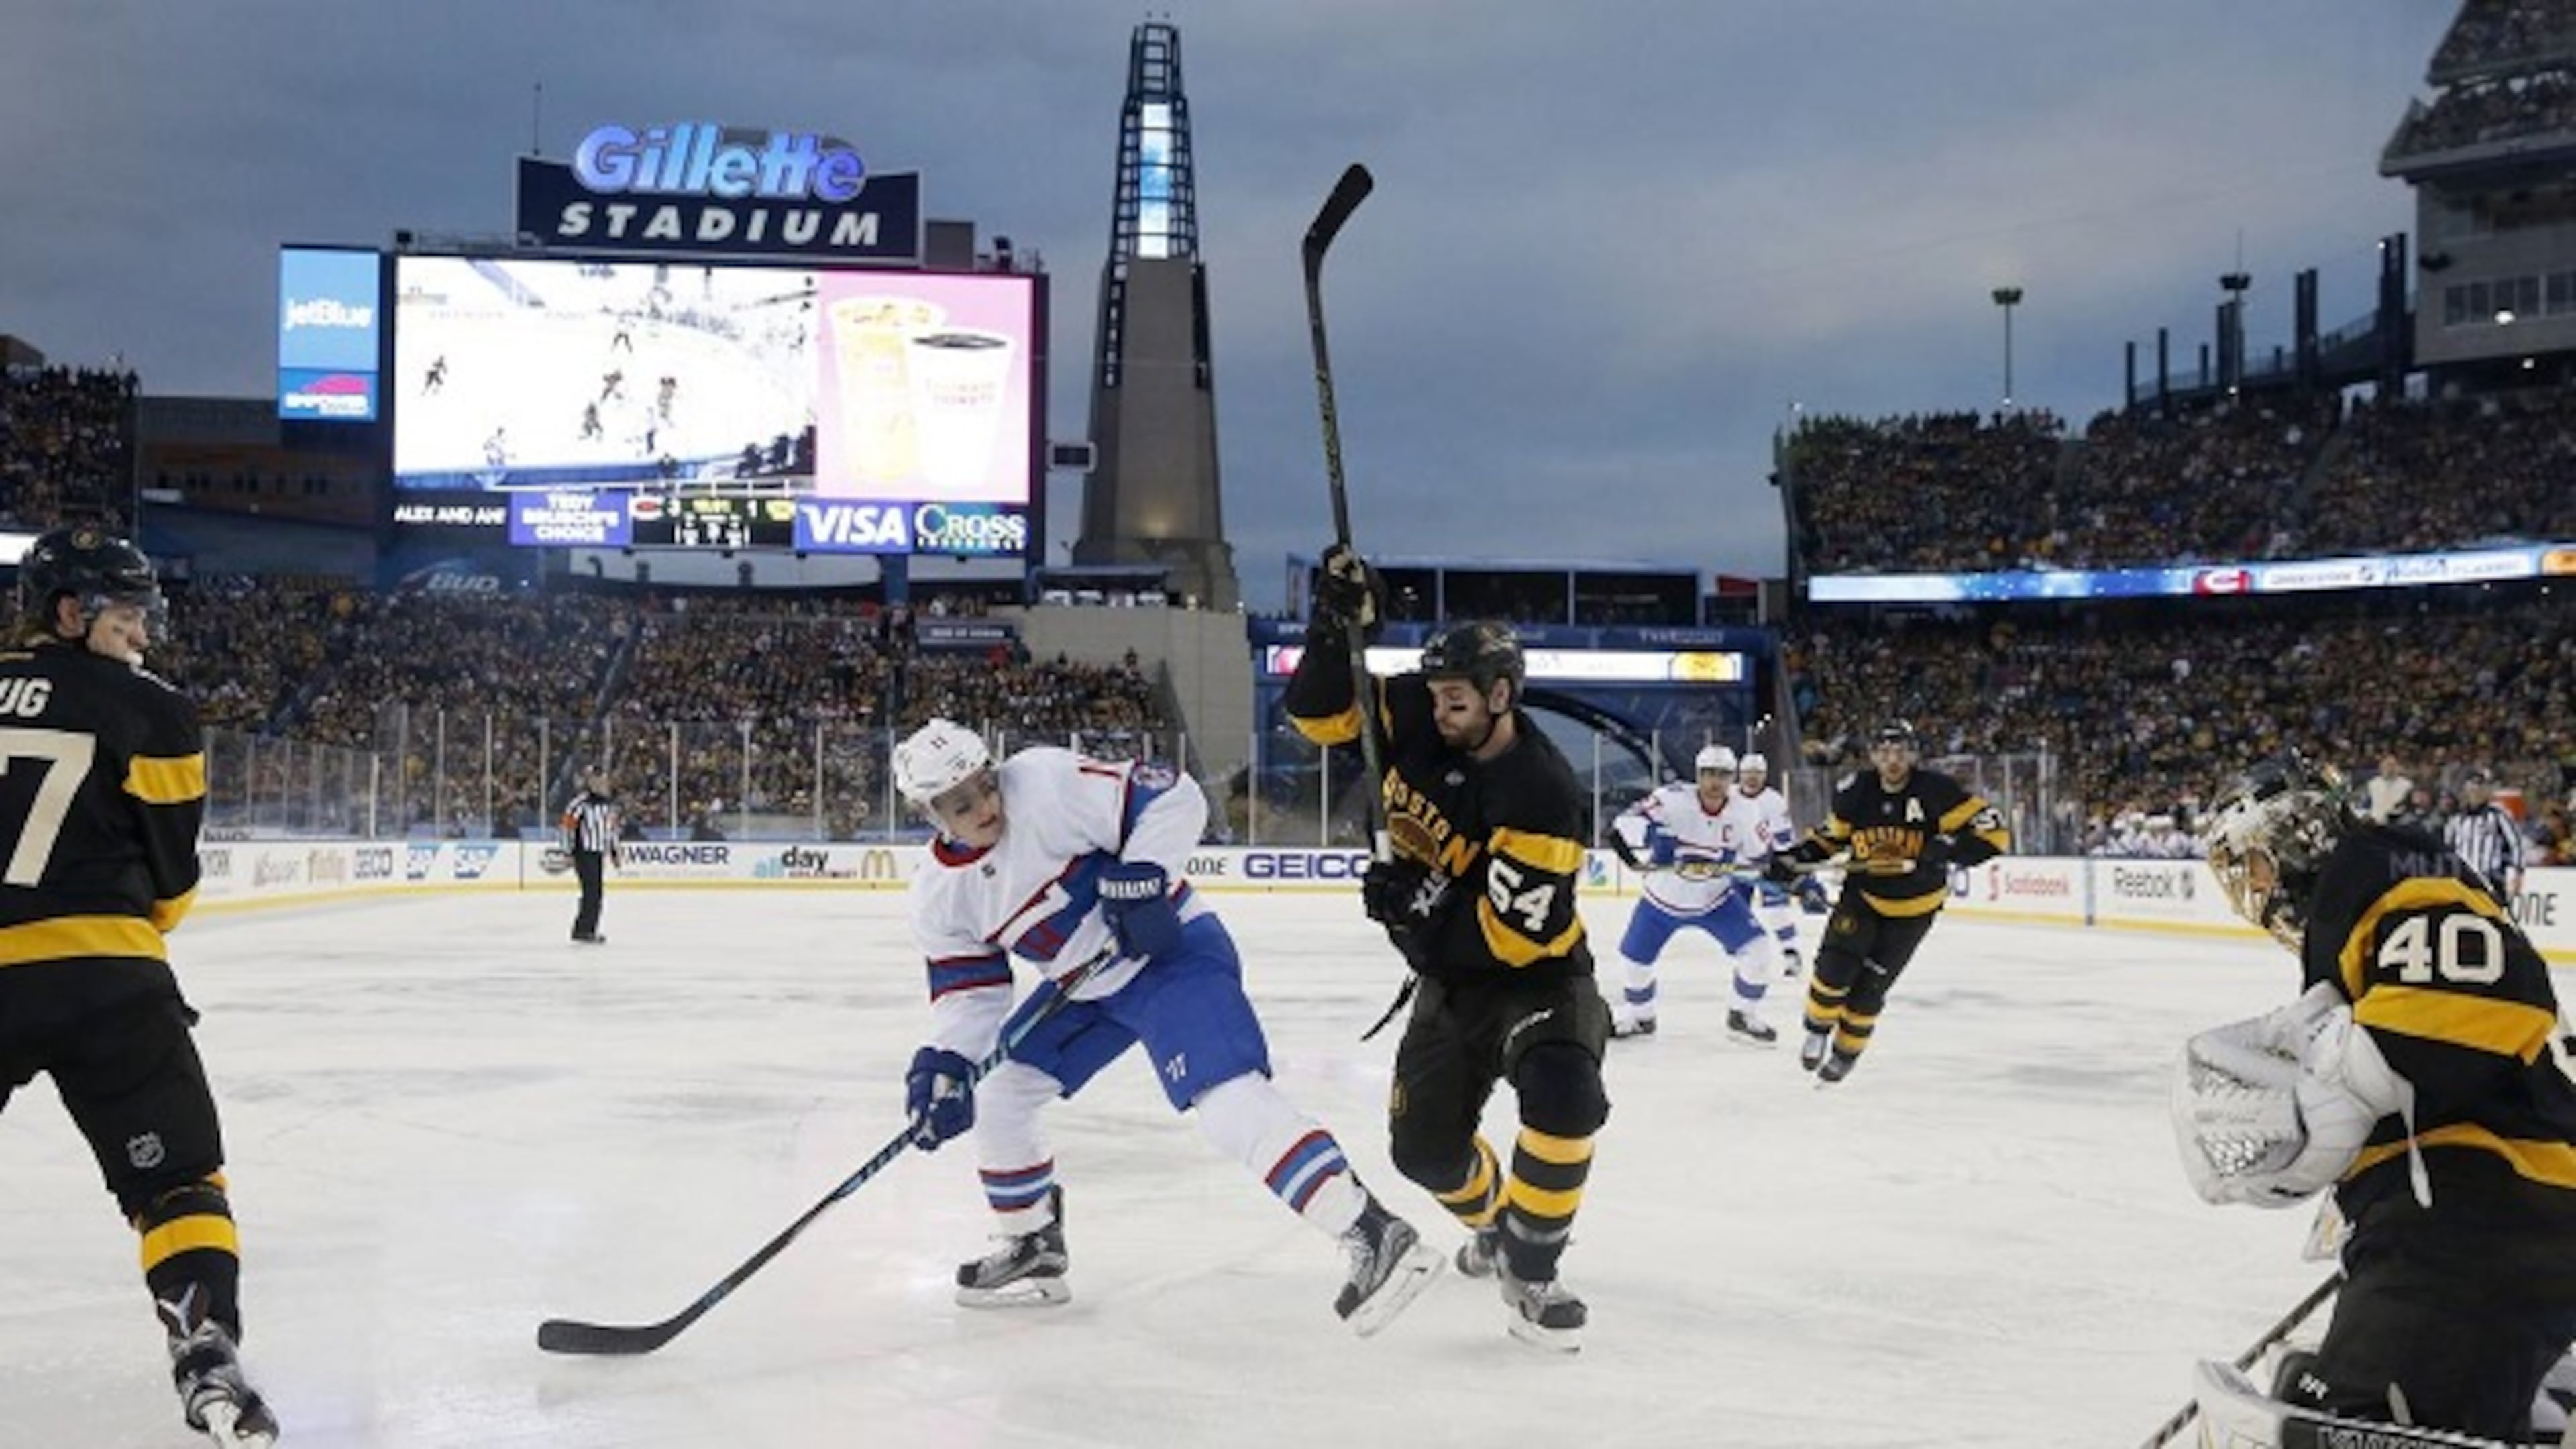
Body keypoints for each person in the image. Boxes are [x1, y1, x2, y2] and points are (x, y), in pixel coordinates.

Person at [889, 718, 1438, 1336]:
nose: (986, 805)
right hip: (1085, 988)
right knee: (997, 1091)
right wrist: (947, 1064)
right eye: (961, 803)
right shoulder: (940, 897)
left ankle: (1371, 1231)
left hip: (1171, 956)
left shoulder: (1044, 781)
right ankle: (1031, 1243)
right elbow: (973, 994)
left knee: (1227, 1099)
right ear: (930, 814)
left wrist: (1146, 872)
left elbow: (1172, 794)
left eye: (986, 785)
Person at [2175, 753, 2576, 1442]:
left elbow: (2494, 1003)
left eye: (2256, 865)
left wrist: (2336, 1084)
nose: (2254, 891)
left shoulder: (2397, 880)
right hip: (2466, 1217)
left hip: (2479, 1225)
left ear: (2299, 839)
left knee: (2367, 1423)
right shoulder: (2371, 894)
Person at [1287, 547, 1611, 1351]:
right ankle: (1501, 1224)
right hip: (1447, 985)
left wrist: (1418, 907)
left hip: (1538, 978)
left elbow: (1512, 935)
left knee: (1564, 1094)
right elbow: (1318, 717)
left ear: (1502, 695)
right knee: (1424, 1154)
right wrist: (1336, 625)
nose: (1440, 712)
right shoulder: (1417, 718)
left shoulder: (1541, 790)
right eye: (1434, 695)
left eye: (1458, 699)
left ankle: (1533, 1271)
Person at [0, 526, 278, 1446]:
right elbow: (171, 884)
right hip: (108, 977)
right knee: (180, 1183)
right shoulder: (152, 710)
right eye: (126, 617)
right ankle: (204, 1346)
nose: (143, 637)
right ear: (70, 613)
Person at [1765, 719, 2007, 1084]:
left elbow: (1995, 833)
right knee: (1833, 969)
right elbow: (1831, 840)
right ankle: (1817, 1031)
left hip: (1914, 911)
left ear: (1912, 755)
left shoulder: (1937, 791)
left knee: (1868, 992)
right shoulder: (1856, 790)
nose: (1892, 760)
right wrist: (1793, 859)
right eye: (1884, 752)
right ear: (1873, 756)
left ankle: (1846, 1054)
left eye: (1900, 752)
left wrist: (1948, 848)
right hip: (1862, 897)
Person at [1603, 743, 1787, 1046]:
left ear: (1733, 778)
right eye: (1709, 774)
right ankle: (1641, 1017)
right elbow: (1625, 824)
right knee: (1634, 962)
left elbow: (1759, 857)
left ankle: (1742, 1015)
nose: (1716, 782)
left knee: (1758, 951)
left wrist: (1777, 871)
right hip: (1660, 901)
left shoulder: (1746, 811)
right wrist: (1646, 839)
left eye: (1724, 775)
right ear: (1698, 775)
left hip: (1714, 900)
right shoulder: (1671, 799)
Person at [1733, 752, 1822, 977]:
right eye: (1747, 773)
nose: (1752, 778)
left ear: (1764, 776)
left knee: (1777, 912)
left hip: (1767, 867)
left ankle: (1790, 953)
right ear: (1740, 775)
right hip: (1737, 868)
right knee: (1734, 912)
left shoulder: (1773, 802)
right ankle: (1747, 957)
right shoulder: (1730, 796)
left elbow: (1784, 843)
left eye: (1757, 774)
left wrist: (1789, 869)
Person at [2443, 765, 2525, 909]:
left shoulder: (2498, 815)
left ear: (2486, 790)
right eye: (2472, 786)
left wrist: (2518, 873)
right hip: (2463, 880)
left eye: (2480, 786)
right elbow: (2447, 849)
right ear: (2465, 790)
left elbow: (2515, 843)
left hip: (2490, 880)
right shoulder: (2456, 820)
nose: (2476, 790)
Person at [559, 766, 621, 944]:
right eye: (597, 780)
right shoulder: (579, 803)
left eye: (603, 780)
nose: (602, 784)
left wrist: (615, 851)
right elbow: (567, 827)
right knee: (592, 892)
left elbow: (611, 830)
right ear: (590, 783)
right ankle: (584, 930)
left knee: (596, 892)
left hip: (598, 853)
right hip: (583, 852)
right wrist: (568, 851)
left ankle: (586, 929)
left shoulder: (609, 805)